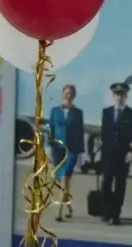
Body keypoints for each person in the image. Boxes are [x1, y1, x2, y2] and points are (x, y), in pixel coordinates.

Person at [100, 82, 132, 225]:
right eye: (117, 94)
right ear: (113, 96)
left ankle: (115, 215)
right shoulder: (106, 112)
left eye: (122, 95)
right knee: (105, 183)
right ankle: (107, 211)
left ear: (126, 96)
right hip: (109, 155)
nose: (120, 97)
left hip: (124, 156)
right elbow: (104, 134)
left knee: (120, 185)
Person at [49, 84, 84, 221]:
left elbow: (80, 132)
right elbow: (51, 128)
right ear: (62, 94)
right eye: (66, 93)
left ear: (74, 96)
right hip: (57, 149)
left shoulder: (78, 113)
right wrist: (49, 147)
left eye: (71, 93)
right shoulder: (54, 111)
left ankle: (59, 211)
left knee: (65, 176)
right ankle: (68, 206)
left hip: (72, 149)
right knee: (61, 180)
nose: (68, 95)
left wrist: (82, 153)